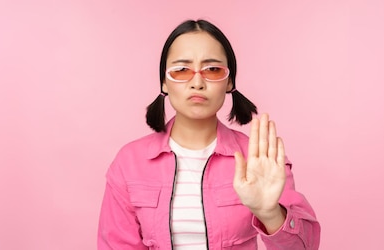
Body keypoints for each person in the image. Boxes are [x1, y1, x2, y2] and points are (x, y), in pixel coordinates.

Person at [97, 19, 321, 250]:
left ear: (229, 81)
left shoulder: (259, 159)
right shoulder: (130, 162)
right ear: (164, 82)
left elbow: (304, 247)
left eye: (212, 69)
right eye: (181, 70)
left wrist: (270, 213)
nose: (197, 82)